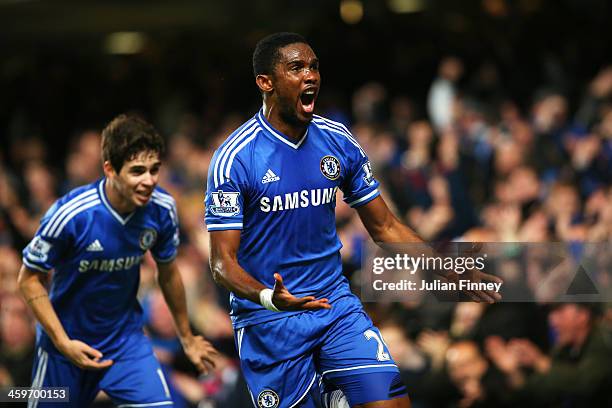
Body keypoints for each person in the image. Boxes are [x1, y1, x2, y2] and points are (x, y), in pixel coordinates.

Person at [206, 32, 500, 408]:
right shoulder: (235, 158)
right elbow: (221, 263)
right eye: (296, 68)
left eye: (313, 66)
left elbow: (385, 226)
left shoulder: (338, 141)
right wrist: (268, 296)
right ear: (266, 82)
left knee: (391, 403)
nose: (310, 75)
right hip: (269, 323)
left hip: (334, 306)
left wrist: (446, 267)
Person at [19, 114, 218, 407]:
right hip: (65, 347)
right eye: (137, 171)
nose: (149, 180)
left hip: (125, 344)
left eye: (154, 170)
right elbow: (28, 278)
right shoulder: (71, 215)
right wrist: (62, 343)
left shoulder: (162, 209)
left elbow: (169, 272)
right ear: (110, 169)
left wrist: (186, 337)